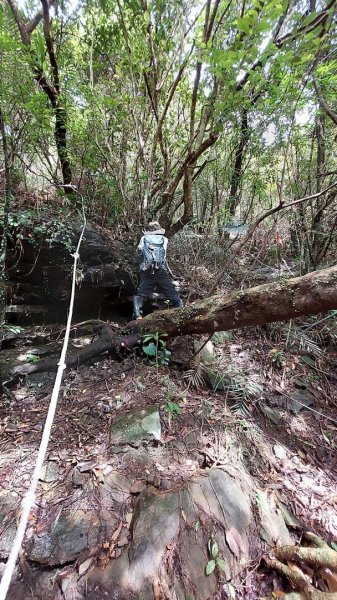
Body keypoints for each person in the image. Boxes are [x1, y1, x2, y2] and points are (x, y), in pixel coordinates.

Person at [132, 221, 183, 319]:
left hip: (146, 269)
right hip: (160, 269)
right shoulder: (164, 239)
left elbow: (138, 253)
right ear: (159, 230)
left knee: (141, 293)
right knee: (170, 291)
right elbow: (164, 256)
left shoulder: (144, 238)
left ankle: (137, 314)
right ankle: (181, 312)